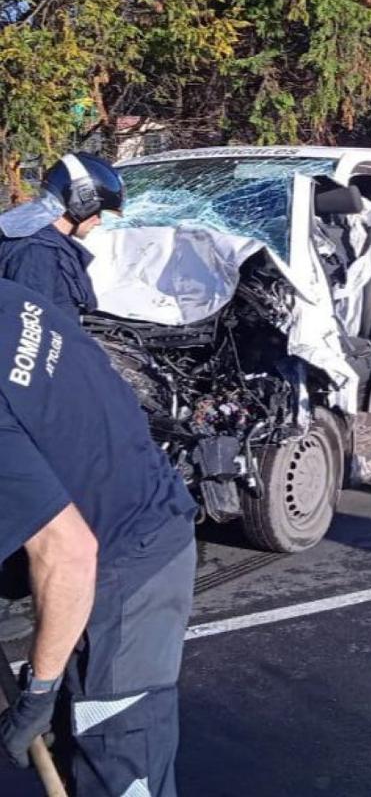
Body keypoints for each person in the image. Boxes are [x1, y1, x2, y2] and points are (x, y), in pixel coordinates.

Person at [0, 278, 197, 796]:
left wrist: (38, 690)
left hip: (131, 557)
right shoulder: (15, 298)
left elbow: (68, 553)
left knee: (116, 751)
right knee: (79, 743)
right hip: (135, 505)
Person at [0, 153, 126, 318]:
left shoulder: (28, 233)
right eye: (98, 212)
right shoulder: (38, 252)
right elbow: (32, 329)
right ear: (83, 203)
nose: (99, 222)